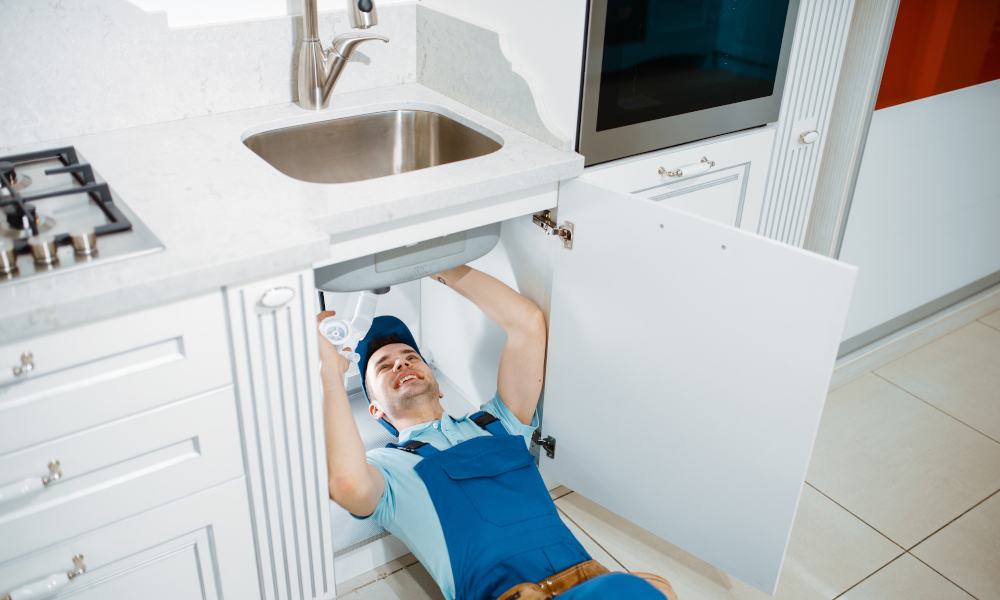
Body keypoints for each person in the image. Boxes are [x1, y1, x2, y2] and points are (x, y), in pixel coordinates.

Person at [318, 265, 677, 600]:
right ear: (375, 409)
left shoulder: (497, 424)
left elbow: (527, 323)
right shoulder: (387, 468)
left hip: (590, 582)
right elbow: (346, 484)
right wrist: (330, 374)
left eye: (411, 355)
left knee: (646, 586)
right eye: (383, 366)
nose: (401, 362)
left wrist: (433, 264)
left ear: (437, 384)